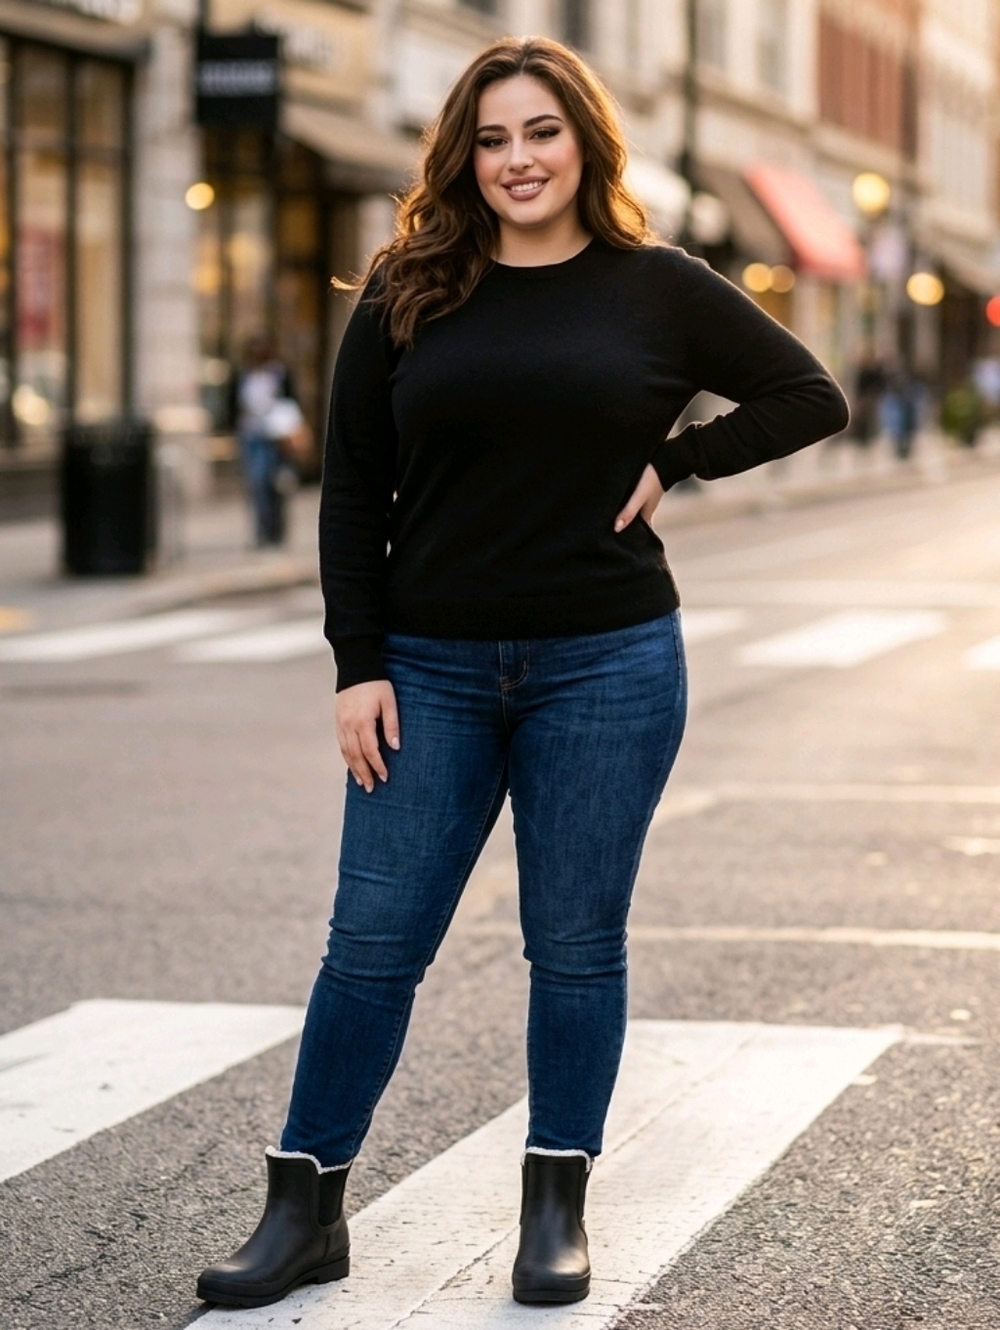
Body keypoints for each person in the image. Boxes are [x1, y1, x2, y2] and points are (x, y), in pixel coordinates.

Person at [197, 36, 848, 1311]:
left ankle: (555, 1207)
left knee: (575, 943)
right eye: (491, 139)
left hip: (607, 661)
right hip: (427, 669)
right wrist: (357, 663)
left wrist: (679, 460)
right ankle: (304, 1208)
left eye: (540, 132)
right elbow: (352, 492)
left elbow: (807, 394)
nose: (517, 159)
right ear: (463, 157)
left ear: (584, 142)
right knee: (372, 942)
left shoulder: (657, 286)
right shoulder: (408, 290)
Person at [236, 337, 297, 546]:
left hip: (274, 436)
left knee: (274, 483)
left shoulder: (278, 373)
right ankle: (262, 530)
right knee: (256, 484)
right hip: (251, 434)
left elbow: (289, 404)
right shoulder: (244, 374)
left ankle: (274, 529)